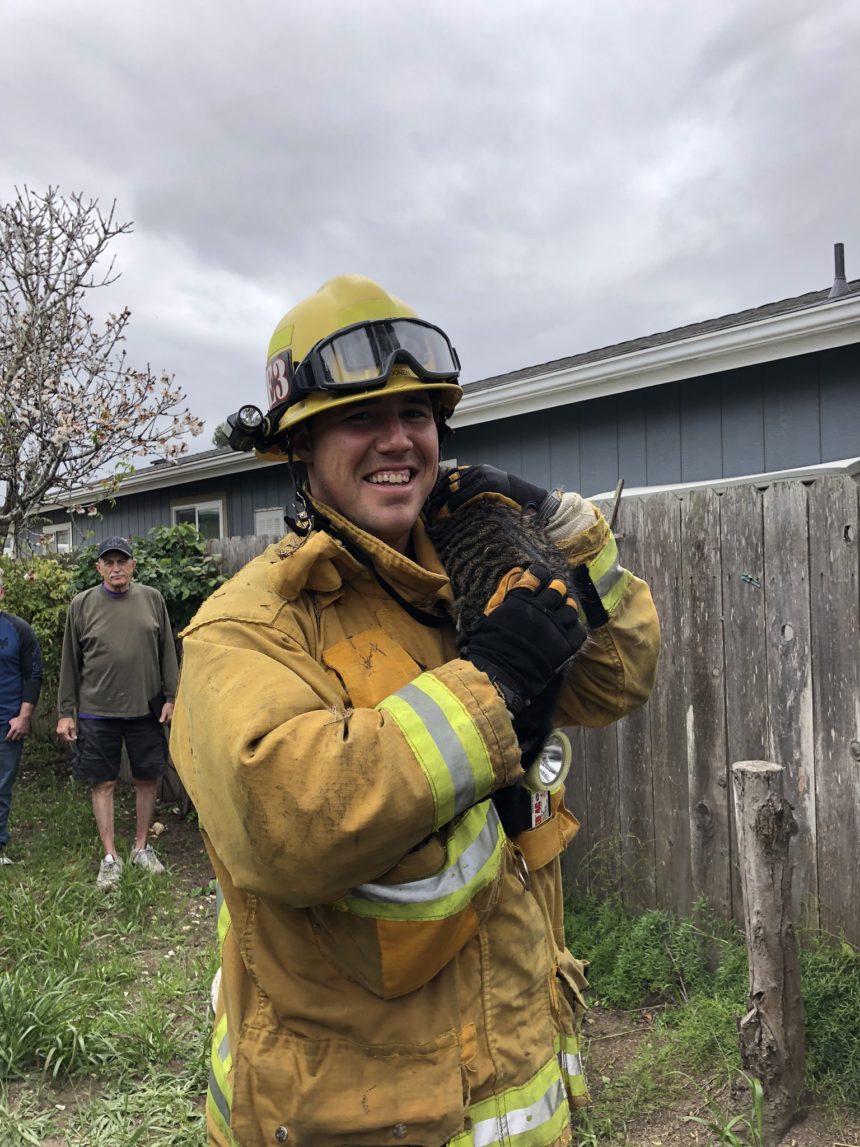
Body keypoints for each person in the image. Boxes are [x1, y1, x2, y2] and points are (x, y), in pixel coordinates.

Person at [171, 274, 661, 1146]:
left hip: (513, 1083)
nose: (399, 438)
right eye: (362, 418)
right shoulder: (249, 626)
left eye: (419, 416)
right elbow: (286, 820)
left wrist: (564, 528)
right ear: (301, 447)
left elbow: (618, 678)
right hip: (351, 1114)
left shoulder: (469, 584)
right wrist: (494, 683)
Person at [57, 536, 178, 889]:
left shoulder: (152, 599)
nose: (115, 569)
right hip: (96, 712)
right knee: (103, 781)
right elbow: (69, 662)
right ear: (98, 568)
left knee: (147, 777)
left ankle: (141, 848)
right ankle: (110, 857)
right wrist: (66, 711)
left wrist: (171, 696)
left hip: (146, 708)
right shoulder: (81, 605)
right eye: (108, 562)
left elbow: (167, 650)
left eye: (121, 561)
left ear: (132, 565)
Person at [0, 569, 44, 864]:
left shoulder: (18, 629)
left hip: (7, 723)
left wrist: (24, 716)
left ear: (2, 592)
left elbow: (33, 673)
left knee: (1, 785)